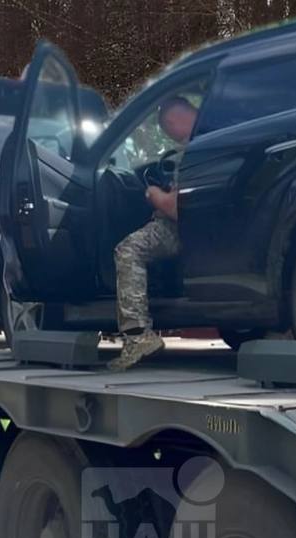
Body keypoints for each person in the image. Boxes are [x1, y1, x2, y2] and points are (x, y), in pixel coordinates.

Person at [108, 96, 199, 371]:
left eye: (167, 128)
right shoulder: (213, 141)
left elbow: (176, 210)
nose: (168, 134)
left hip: (182, 229)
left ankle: (138, 337)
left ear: (175, 120)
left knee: (128, 250)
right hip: (214, 230)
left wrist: (155, 196)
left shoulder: (193, 152)